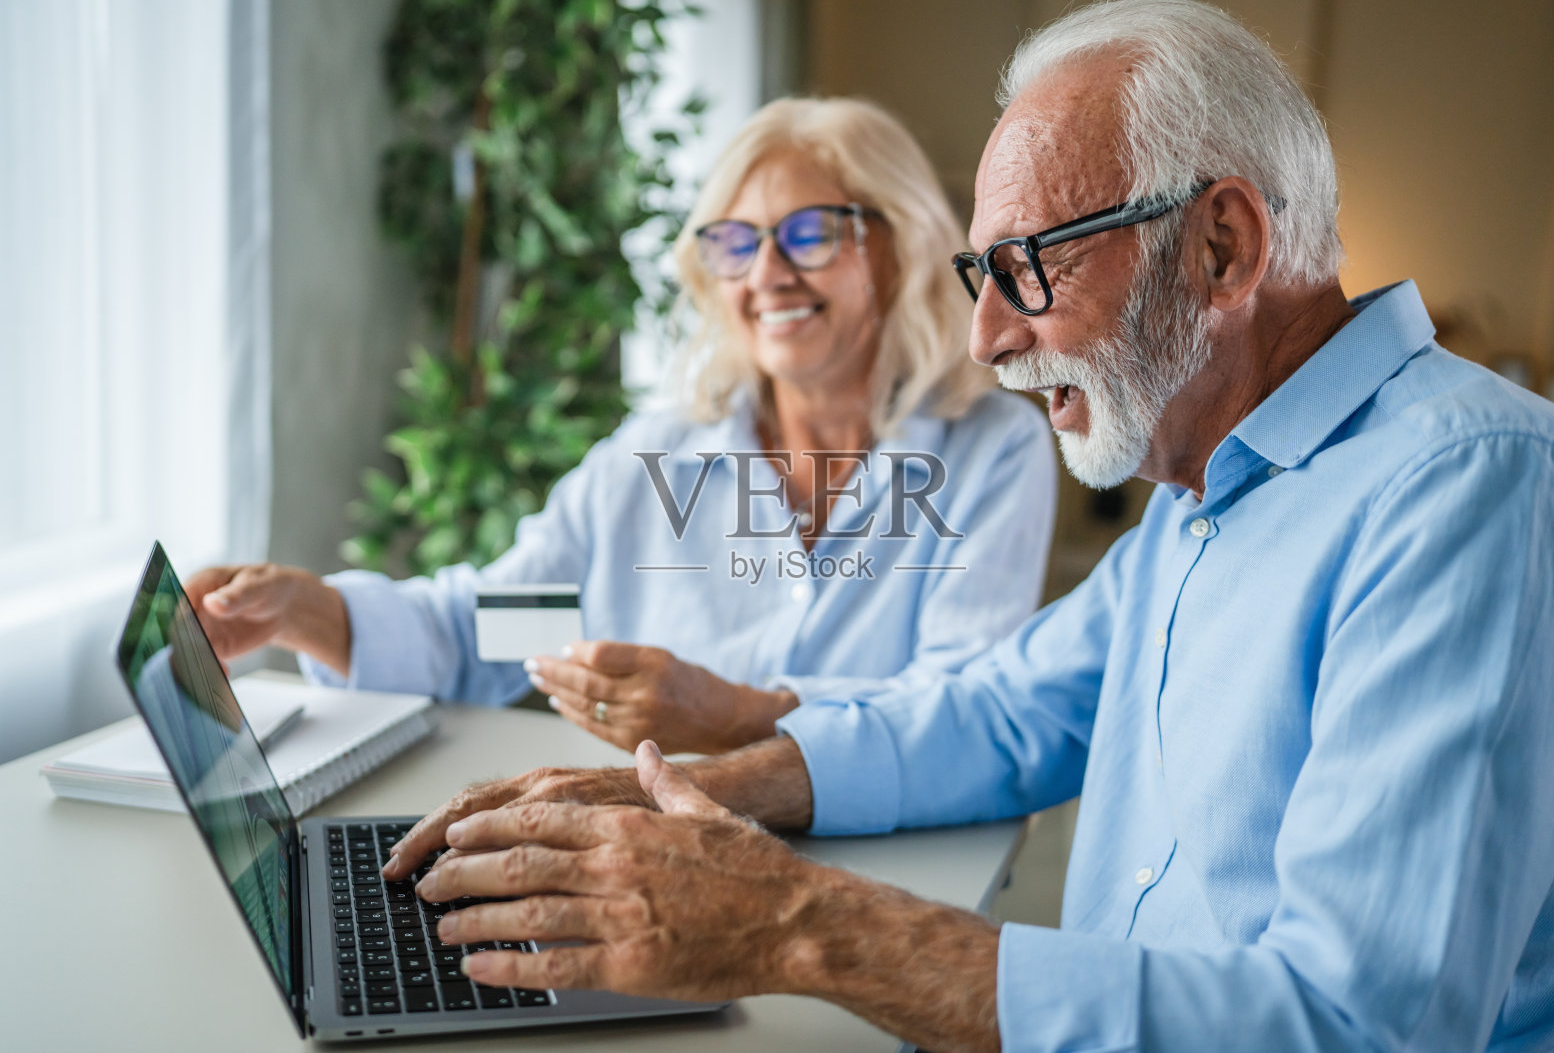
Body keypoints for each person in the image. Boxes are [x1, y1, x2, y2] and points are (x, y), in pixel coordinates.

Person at [380, 0, 1554, 1053]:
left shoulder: (1468, 488)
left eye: (1029, 265)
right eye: (737, 242)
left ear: (1220, 246)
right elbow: (517, 607)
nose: (990, 334)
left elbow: (1353, 1023)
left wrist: (788, 909)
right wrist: (357, 618)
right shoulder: (658, 451)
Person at [187, 97, 1058, 756]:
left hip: (887, 869)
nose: (768, 274)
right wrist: (310, 610)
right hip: (656, 862)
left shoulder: (990, 452)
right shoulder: (652, 457)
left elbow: (962, 714)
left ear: (899, 246)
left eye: (810, 233)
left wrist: (739, 718)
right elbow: (485, 632)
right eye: (736, 242)